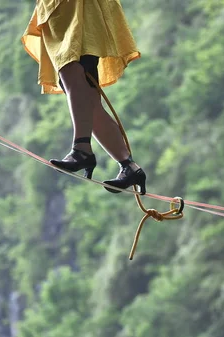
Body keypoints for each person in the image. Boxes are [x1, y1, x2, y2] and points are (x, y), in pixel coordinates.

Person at [21, 0, 146, 194]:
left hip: (74, 9)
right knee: (86, 96)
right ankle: (128, 166)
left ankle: (82, 148)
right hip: (62, 10)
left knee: (72, 71)